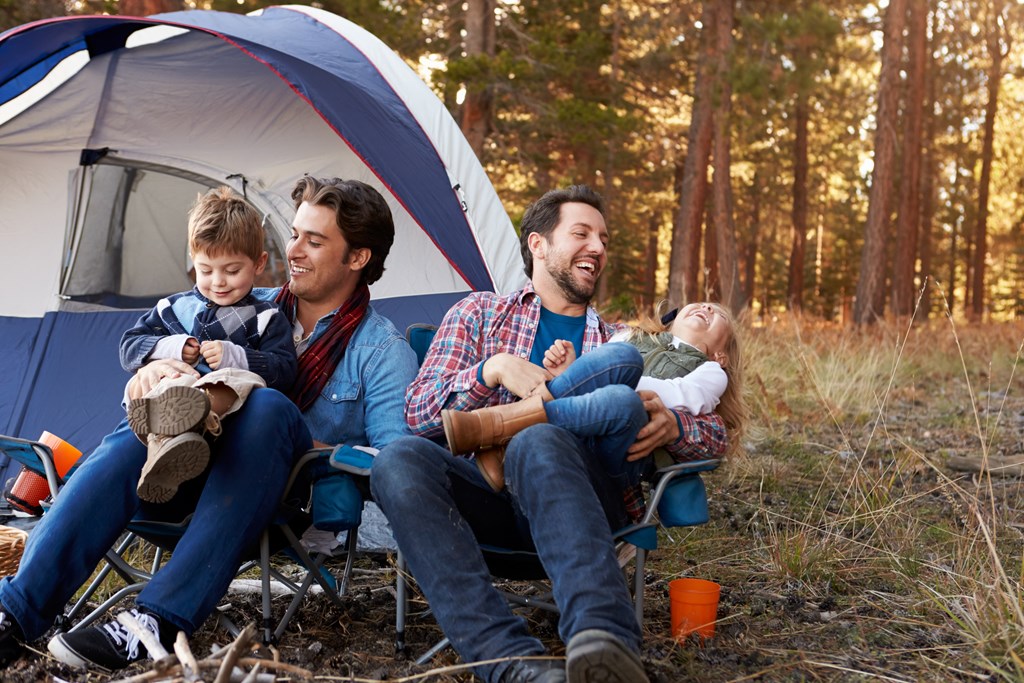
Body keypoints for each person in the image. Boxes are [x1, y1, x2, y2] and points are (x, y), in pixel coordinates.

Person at [0, 176, 418, 673]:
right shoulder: (238, 305)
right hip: (184, 474)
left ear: (358, 258)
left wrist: (309, 449)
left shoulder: (383, 352)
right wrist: (150, 374)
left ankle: (156, 620)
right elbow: (149, 355)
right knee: (149, 432)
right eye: (295, 233)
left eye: (315, 239)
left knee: (266, 407)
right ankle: (15, 611)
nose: (295, 250)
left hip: (284, 501)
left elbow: (398, 468)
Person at [371, 185, 729, 683]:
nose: (598, 248)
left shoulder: (618, 337)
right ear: (537, 244)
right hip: (490, 502)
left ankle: (604, 641)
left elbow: (717, 432)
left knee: (552, 430)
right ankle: (508, 662)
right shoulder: (478, 314)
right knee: (396, 460)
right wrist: (490, 371)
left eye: (603, 239)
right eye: (581, 233)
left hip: (584, 499)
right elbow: (418, 413)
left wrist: (678, 423)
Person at [442, 300, 746, 490]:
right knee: (622, 362)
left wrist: (614, 382)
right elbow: (599, 370)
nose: (706, 308)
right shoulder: (630, 335)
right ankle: (503, 447)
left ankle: (500, 429)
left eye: (716, 313)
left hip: (623, 450)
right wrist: (575, 371)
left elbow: (685, 397)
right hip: (581, 435)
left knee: (624, 393)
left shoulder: (710, 371)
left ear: (722, 355)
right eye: (701, 303)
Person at [119, 186, 297, 503]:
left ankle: (194, 422)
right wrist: (171, 348)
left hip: (227, 420)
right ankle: (164, 452)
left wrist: (236, 357)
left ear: (259, 263)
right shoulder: (172, 308)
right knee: (170, 378)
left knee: (240, 379)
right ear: (193, 262)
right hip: (175, 399)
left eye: (232, 270)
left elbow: (284, 370)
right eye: (206, 270)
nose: (218, 281)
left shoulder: (266, 316)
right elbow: (129, 347)